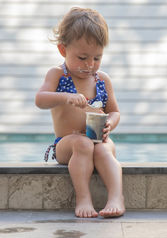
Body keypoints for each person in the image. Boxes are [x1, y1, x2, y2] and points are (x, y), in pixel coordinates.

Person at [35, 7, 125, 218]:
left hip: (97, 139)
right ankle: (83, 198)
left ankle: (116, 196)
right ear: (63, 50)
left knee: (104, 149)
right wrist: (64, 97)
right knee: (82, 143)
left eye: (97, 58)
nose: (90, 65)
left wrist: (110, 124)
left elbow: (115, 112)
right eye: (83, 57)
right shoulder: (58, 74)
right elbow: (40, 99)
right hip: (67, 143)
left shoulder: (102, 79)